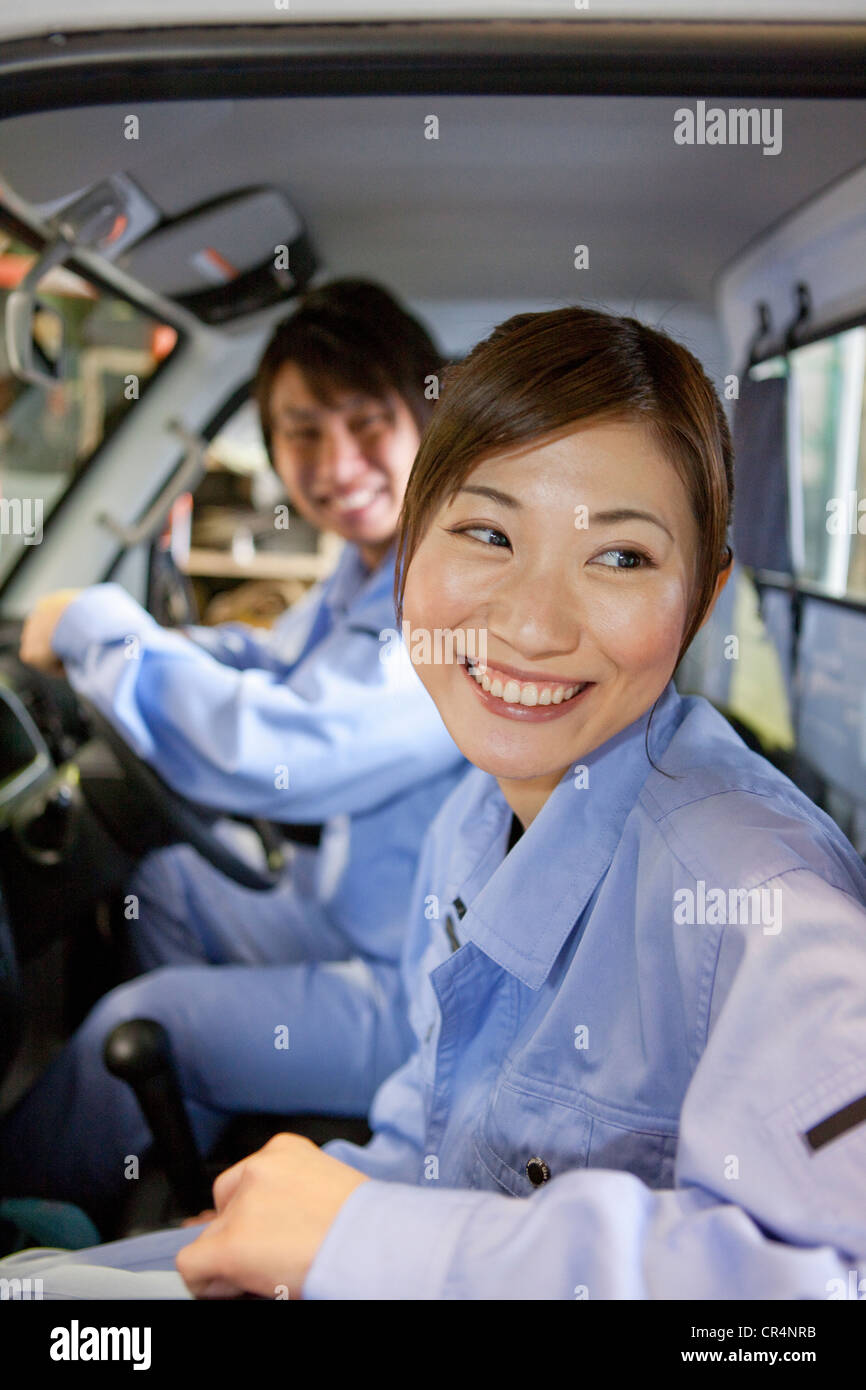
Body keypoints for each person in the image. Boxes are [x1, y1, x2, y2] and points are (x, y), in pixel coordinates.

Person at [4, 304, 866, 1299]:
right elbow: (437, 1132)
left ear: (700, 601)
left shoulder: (758, 893)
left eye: (620, 557)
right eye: (487, 534)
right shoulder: (475, 819)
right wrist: (320, 1217)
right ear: (407, 553)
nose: (532, 624)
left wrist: (365, 1241)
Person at [0, 280, 465, 1232]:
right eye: (301, 431)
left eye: (367, 421)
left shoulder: (455, 582)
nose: (336, 463)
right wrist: (152, 652)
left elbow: (282, 741)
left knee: (150, 1020)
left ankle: (22, 1214)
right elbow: (271, 661)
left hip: (420, 995)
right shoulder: (372, 564)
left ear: (426, 413)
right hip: (358, 914)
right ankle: (183, 1134)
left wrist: (96, 627)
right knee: (169, 878)